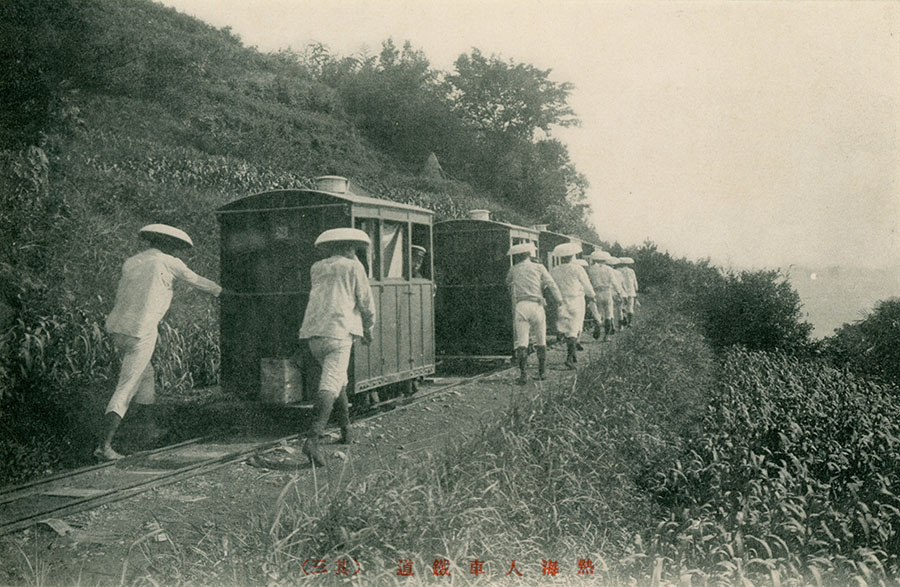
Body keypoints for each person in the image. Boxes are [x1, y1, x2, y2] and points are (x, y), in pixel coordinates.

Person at [97, 224, 222, 461]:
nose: (177, 252)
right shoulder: (168, 262)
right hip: (141, 331)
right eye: (175, 247)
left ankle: (146, 430)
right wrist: (224, 292)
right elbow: (199, 282)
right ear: (167, 245)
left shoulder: (132, 261)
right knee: (127, 386)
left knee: (146, 376)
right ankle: (104, 446)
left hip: (117, 328)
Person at [298, 228, 376, 467]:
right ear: (350, 247)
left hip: (313, 334)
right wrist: (369, 328)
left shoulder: (317, 267)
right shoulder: (355, 267)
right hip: (339, 333)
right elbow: (365, 301)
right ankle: (313, 439)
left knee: (339, 379)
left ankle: (346, 430)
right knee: (330, 384)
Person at [505, 242, 562, 384]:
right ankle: (542, 372)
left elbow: (507, 282)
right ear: (529, 254)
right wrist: (559, 299)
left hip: (521, 306)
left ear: (518, 256)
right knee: (541, 340)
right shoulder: (539, 267)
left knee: (522, 342)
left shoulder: (514, 269)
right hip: (537, 305)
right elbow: (551, 283)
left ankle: (523, 375)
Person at [550, 243, 597, 369]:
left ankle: (573, 354)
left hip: (561, 301)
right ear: (572, 256)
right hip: (575, 300)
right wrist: (592, 295)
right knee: (574, 329)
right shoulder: (577, 269)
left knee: (566, 328)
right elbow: (586, 285)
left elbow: (551, 286)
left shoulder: (554, 270)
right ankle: (570, 358)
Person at [587, 250, 627, 341]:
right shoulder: (608, 269)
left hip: (596, 292)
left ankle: (597, 325)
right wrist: (619, 292)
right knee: (608, 314)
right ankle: (606, 336)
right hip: (607, 291)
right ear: (604, 260)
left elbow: (588, 282)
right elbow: (614, 282)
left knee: (598, 313)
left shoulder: (591, 269)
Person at [617, 257, 639, 327]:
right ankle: (629, 323)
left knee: (621, 306)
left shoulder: (618, 270)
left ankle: (624, 316)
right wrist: (636, 288)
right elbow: (634, 281)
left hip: (622, 291)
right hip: (631, 291)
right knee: (630, 307)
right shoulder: (631, 271)